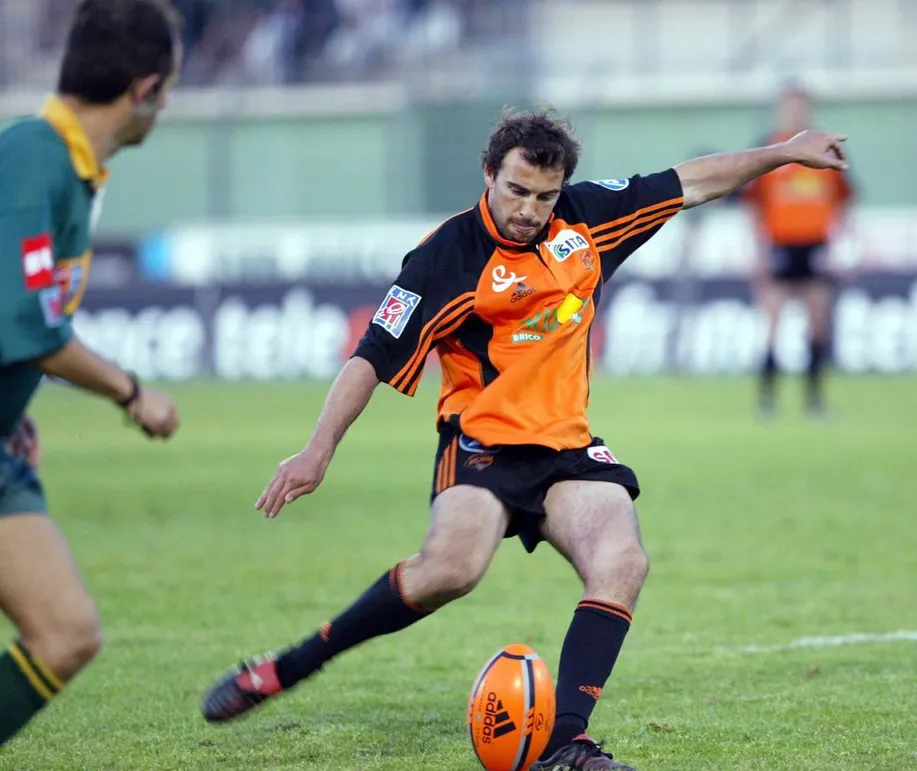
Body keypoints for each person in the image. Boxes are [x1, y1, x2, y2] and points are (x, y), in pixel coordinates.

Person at [200, 108, 847, 769]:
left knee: (622, 561)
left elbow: (695, 182)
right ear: (488, 174)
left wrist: (786, 150)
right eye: (516, 190)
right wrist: (318, 450)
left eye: (543, 195)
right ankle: (287, 667)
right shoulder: (442, 257)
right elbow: (370, 356)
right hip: (482, 445)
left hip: (567, 448)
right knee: (451, 569)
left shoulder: (588, 218)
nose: (529, 209)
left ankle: (568, 740)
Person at [0, 0, 182, 748]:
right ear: (144, 89)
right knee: (65, 628)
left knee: (66, 630)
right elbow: (29, 325)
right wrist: (131, 391)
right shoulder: (32, 159)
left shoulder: (66, 169)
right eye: (170, 89)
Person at [739, 84, 856, 418]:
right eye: (790, 107)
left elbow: (845, 199)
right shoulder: (770, 150)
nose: (795, 113)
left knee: (817, 323)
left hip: (815, 245)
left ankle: (814, 401)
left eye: (800, 107)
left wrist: (841, 245)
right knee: (773, 322)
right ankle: (767, 399)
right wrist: (757, 250)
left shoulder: (825, 151)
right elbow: (753, 205)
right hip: (779, 244)